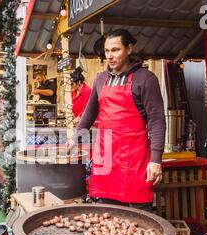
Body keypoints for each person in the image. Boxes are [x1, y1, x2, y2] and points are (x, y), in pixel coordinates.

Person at [68, 29, 166, 212]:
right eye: (107, 51)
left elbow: (157, 120)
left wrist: (156, 160)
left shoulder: (146, 79)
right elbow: (89, 115)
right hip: (107, 158)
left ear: (129, 49)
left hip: (135, 159)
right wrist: (74, 138)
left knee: (139, 216)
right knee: (107, 214)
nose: (110, 56)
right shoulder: (100, 79)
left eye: (115, 50)